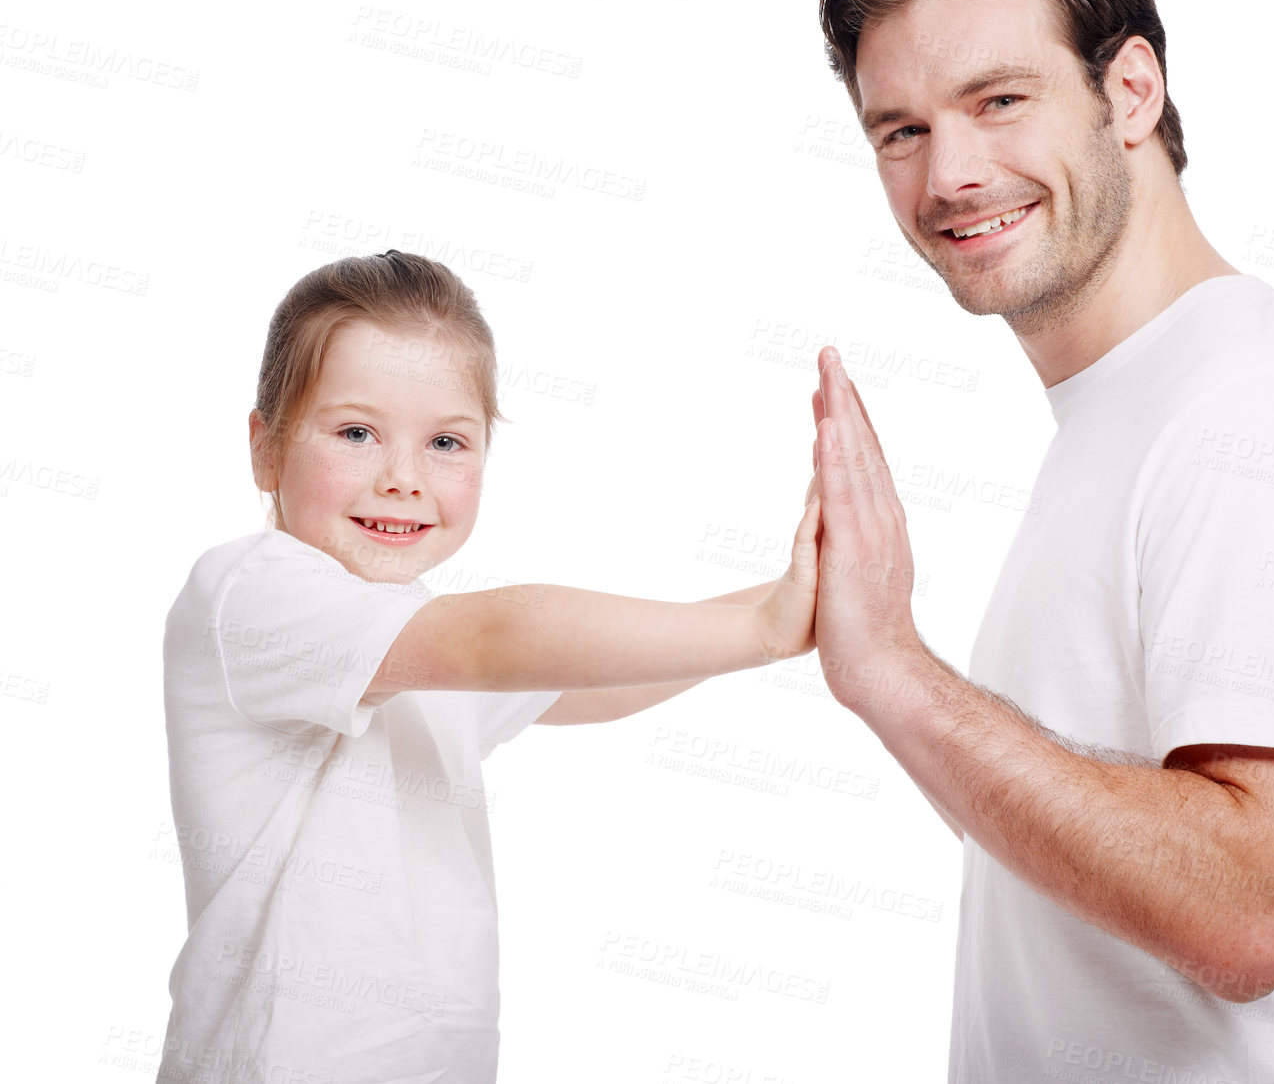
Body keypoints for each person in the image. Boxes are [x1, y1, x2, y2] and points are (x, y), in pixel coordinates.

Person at [806, 0, 1274, 1081]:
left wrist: (894, 674)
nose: (950, 176)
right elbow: (1083, 856)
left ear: (1129, 90)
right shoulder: (1134, 407)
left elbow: (1248, 908)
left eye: (999, 100)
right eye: (903, 130)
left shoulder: (1253, 414)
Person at [157, 250, 820, 1083]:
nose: (402, 478)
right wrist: (763, 627)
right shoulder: (251, 593)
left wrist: (807, 595)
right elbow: (494, 639)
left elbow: (583, 680)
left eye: (446, 442)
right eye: (356, 432)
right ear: (266, 449)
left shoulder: (409, 632)